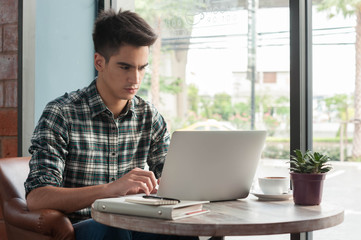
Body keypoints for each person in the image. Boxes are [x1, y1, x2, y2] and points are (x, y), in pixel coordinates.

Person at [25, 9, 198, 240]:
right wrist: (110, 190)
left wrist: (169, 187)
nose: (135, 79)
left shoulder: (149, 116)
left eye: (142, 67)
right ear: (99, 62)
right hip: (88, 227)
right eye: (125, 67)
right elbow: (37, 197)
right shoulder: (61, 114)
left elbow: (174, 179)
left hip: (138, 225)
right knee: (112, 229)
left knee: (185, 232)